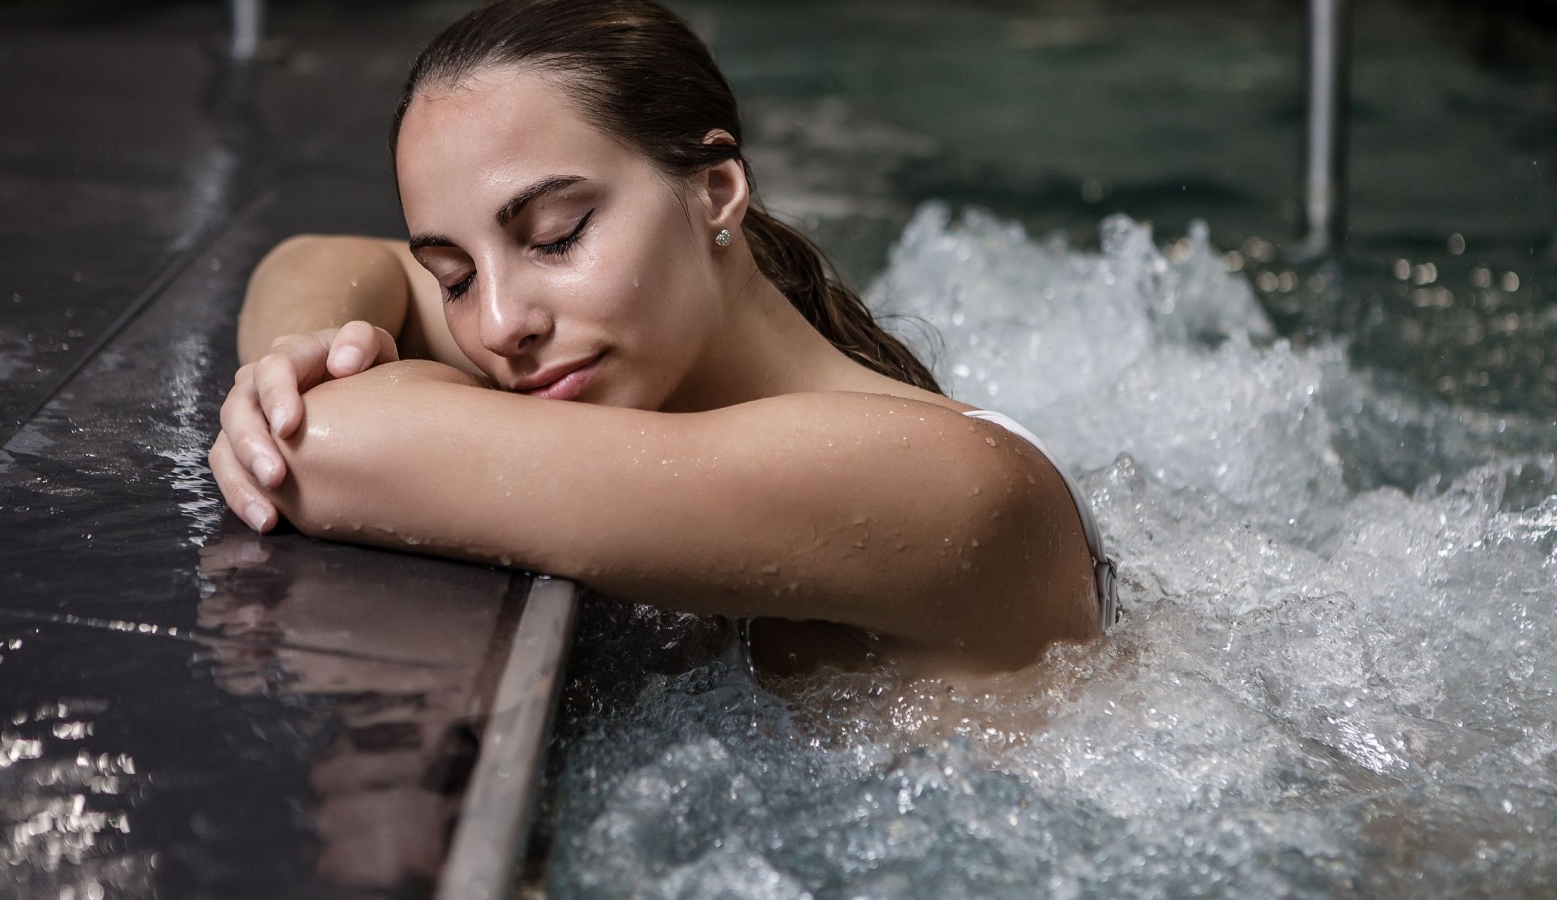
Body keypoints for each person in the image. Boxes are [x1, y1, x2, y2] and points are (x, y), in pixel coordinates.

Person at [208, 0, 1113, 677]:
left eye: (557, 235)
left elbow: (323, 452)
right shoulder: (627, 375)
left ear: (716, 191)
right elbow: (317, 255)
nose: (498, 325)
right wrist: (312, 350)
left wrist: (295, 405)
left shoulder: (945, 482)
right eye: (456, 277)